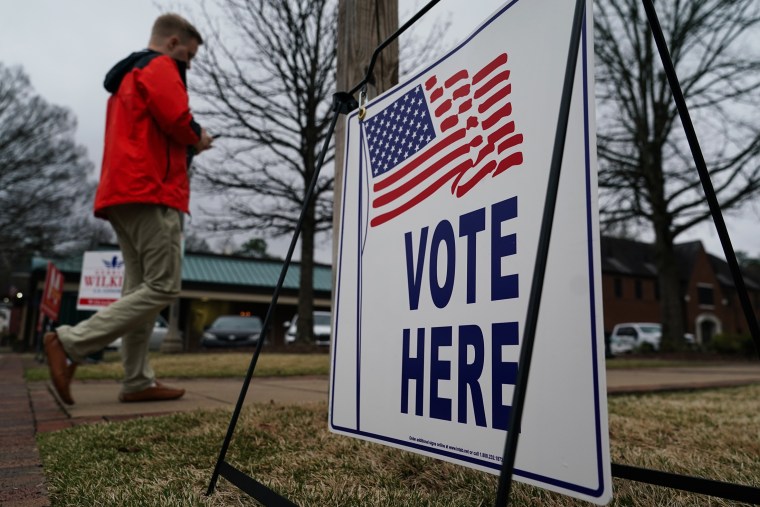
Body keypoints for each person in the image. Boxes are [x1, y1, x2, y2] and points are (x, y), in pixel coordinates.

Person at [44, 13, 213, 405]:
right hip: (150, 191)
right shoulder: (160, 66)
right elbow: (176, 118)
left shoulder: (129, 75)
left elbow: (154, 127)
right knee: (163, 286)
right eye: (188, 55)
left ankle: (137, 380)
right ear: (173, 43)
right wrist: (197, 139)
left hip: (123, 191)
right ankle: (68, 341)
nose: (188, 64)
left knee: (139, 288)